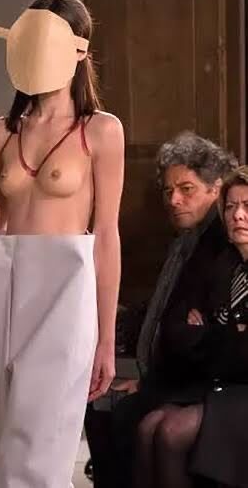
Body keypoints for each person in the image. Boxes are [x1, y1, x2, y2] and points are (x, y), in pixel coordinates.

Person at [0, 0, 124, 487]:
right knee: (4, 446)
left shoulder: (100, 131)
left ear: (78, 49)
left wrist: (106, 339)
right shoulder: (2, 132)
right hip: (0, 291)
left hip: (65, 291)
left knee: (38, 443)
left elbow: (106, 235)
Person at [106, 132, 237, 488]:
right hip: (170, 375)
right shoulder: (186, 239)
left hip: (199, 384)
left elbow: (196, 333)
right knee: (107, 407)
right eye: (168, 191)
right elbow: (168, 313)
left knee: (139, 421)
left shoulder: (220, 243)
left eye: (186, 189)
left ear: (216, 188)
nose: (174, 199)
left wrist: (152, 383)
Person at [134, 166, 248, 488]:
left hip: (240, 391)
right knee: (148, 426)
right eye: (230, 206)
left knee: (172, 431)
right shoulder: (223, 265)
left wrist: (209, 334)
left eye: (247, 206)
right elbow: (180, 333)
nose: (238, 215)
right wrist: (229, 336)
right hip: (223, 385)